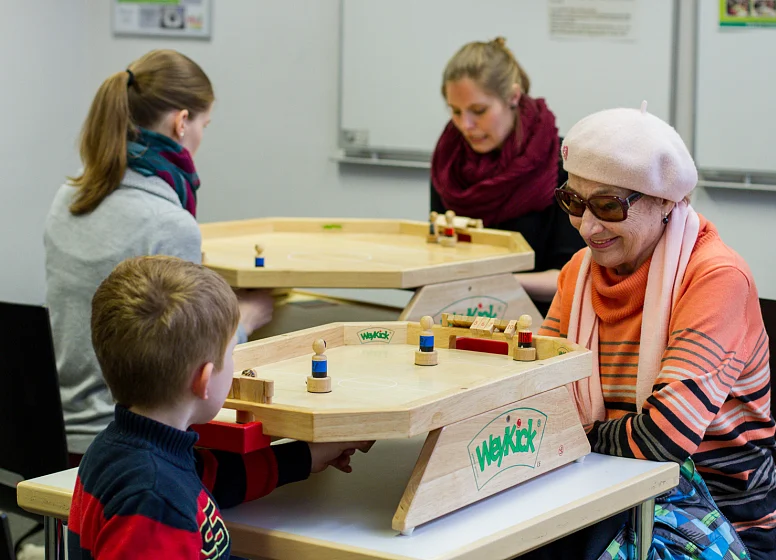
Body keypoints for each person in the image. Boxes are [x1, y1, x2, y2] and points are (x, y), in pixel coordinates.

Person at [531, 103, 776, 559]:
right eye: (573, 202)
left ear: (666, 200)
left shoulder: (717, 278)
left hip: (719, 521)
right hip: (601, 496)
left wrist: (573, 432)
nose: (587, 226)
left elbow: (661, 439)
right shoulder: (578, 274)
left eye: (608, 205)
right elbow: (534, 394)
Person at [44, 49, 274, 462]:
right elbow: (184, 364)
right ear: (182, 122)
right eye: (204, 125)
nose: (201, 137)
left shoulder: (69, 196)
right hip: (121, 442)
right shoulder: (169, 222)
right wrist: (246, 319)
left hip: (50, 428)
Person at [67, 255, 370, 559]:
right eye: (232, 354)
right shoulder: (153, 501)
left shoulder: (129, 450)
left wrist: (308, 456)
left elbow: (212, 477)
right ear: (204, 380)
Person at [430, 38, 586, 316]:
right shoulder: (449, 162)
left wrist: (491, 282)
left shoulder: (562, 165)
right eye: (455, 111)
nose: (465, 125)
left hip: (541, 321)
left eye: (479, 111)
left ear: (513, 97)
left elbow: (571, 276)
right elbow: (440, 250)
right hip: (459, 312)